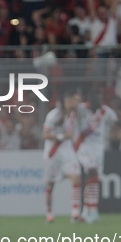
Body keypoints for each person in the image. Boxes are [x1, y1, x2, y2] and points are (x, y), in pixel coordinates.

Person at [74, 92, 118, 223]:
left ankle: (87, 211)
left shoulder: (106, 112)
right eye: (97, 99)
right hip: (83, 146)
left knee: (94, 178)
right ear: (90, 100)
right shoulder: (81, 109)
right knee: (92, 172)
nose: (100, 101)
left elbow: (118, 121)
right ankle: (93, 211)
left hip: (99, 149)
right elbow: (69, 112)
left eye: (101, 99)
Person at [42, 89, 82, 224]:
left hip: (68, 152)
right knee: (50, 185)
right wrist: (63, 136)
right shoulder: (54, 115)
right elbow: (45, 135)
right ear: (64, 102)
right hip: (53, 153)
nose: (73, 103)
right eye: (71, 100)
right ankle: (49, 213)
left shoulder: (75, 115)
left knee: (76, 177)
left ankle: (75, 214)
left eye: (75, 100)